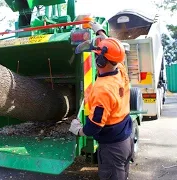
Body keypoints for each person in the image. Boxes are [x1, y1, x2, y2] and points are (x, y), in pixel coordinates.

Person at [69, 22, 134, 180]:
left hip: (112, 148)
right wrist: (99, 31)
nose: (96, 56)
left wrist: (78, 130)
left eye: (97, 54)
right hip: (125, 138)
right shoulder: (120, 69)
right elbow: (113, 49)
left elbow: (95, 126)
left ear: (100, 62)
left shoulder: (103, 90)